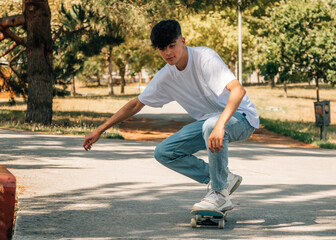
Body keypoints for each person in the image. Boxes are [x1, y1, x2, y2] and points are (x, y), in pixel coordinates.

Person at [83, 20, 259, 212]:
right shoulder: (166, 76)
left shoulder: (204, 57)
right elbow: (136, 104)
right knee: (164, 152)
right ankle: (224, 178)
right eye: (162, 49)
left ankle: (219, 194)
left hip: (242, 118)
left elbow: (238, 90)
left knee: (210, 125)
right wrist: (100, 129)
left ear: (182, 41)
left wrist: (220, 124)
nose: (167, 53)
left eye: (172, 46)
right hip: (208, 123)